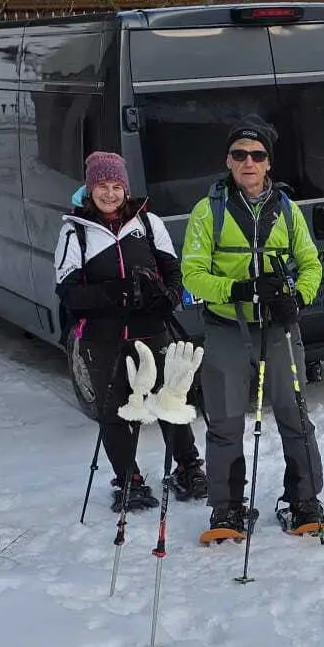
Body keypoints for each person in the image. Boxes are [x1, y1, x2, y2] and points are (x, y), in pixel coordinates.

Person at [180, 117, 324, 543]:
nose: (249, 162)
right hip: (228, 327)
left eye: (257, 155)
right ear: (228, 161)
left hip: (278, 329)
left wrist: (297, 298)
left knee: (295, 416)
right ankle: (226, 506)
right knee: (225, 420)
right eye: (240, 154)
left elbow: (312, 265)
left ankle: (304, 500)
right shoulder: (209, 211)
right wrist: (238, 288)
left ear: (268, 164)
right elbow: (192, 275)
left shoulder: (287, 210)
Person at [55, 151, 207, 511]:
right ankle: (128, 479)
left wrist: (166, 296)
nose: (110, 194)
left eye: (117, 186)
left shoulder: (149, 223)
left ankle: (188, 467)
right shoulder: (74, 231)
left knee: (170, 398)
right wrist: (115, 292)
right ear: (90, 189)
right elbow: (67, 290)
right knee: (115, 409)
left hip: (152, 329)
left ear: (126, 188)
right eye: (103, 186)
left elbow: (173, 271)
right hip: (103, 336)